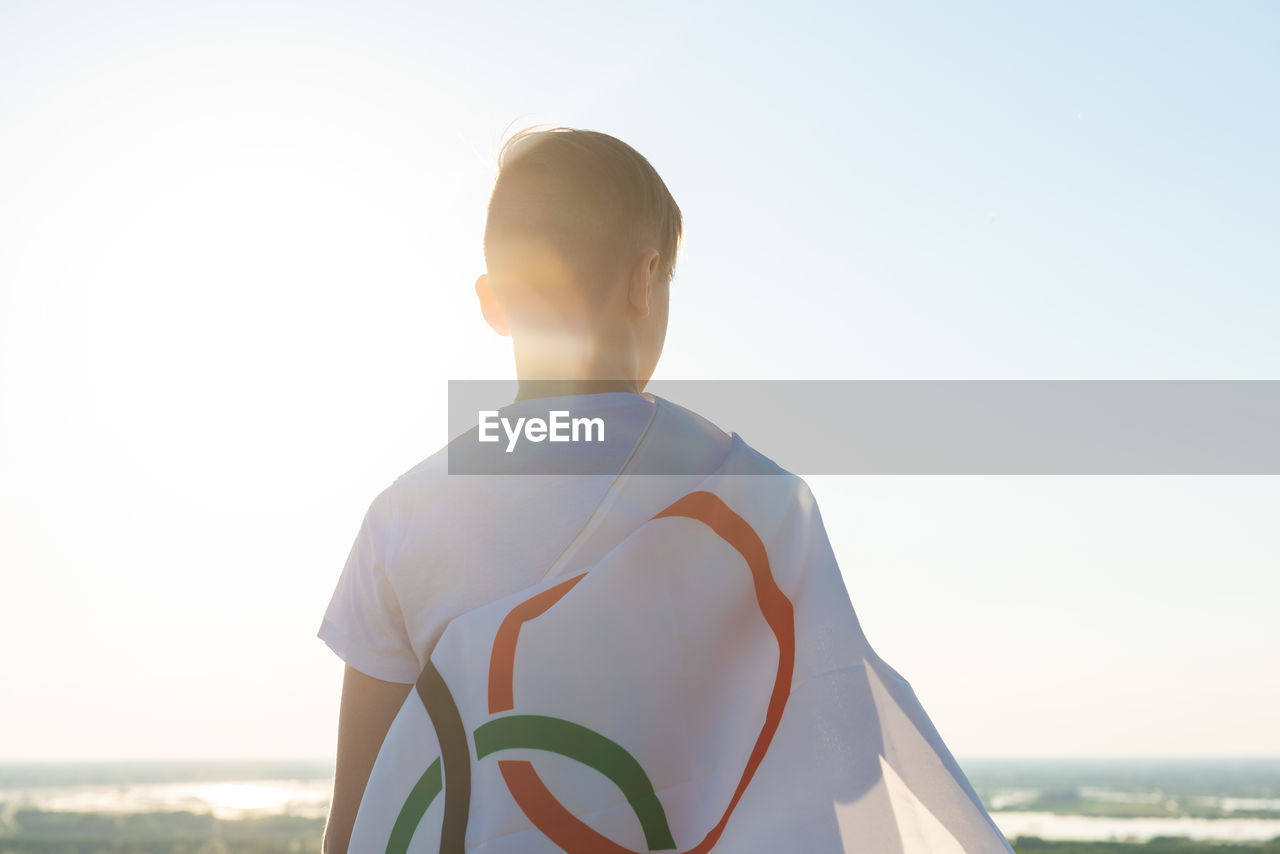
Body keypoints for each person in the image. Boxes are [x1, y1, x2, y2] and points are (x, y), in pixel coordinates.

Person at [318, 128, 1011, 853]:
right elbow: (845, 774)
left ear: (493, 303)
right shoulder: (759, 503)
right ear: (645, 281)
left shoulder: (401, 518)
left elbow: (363, 816)